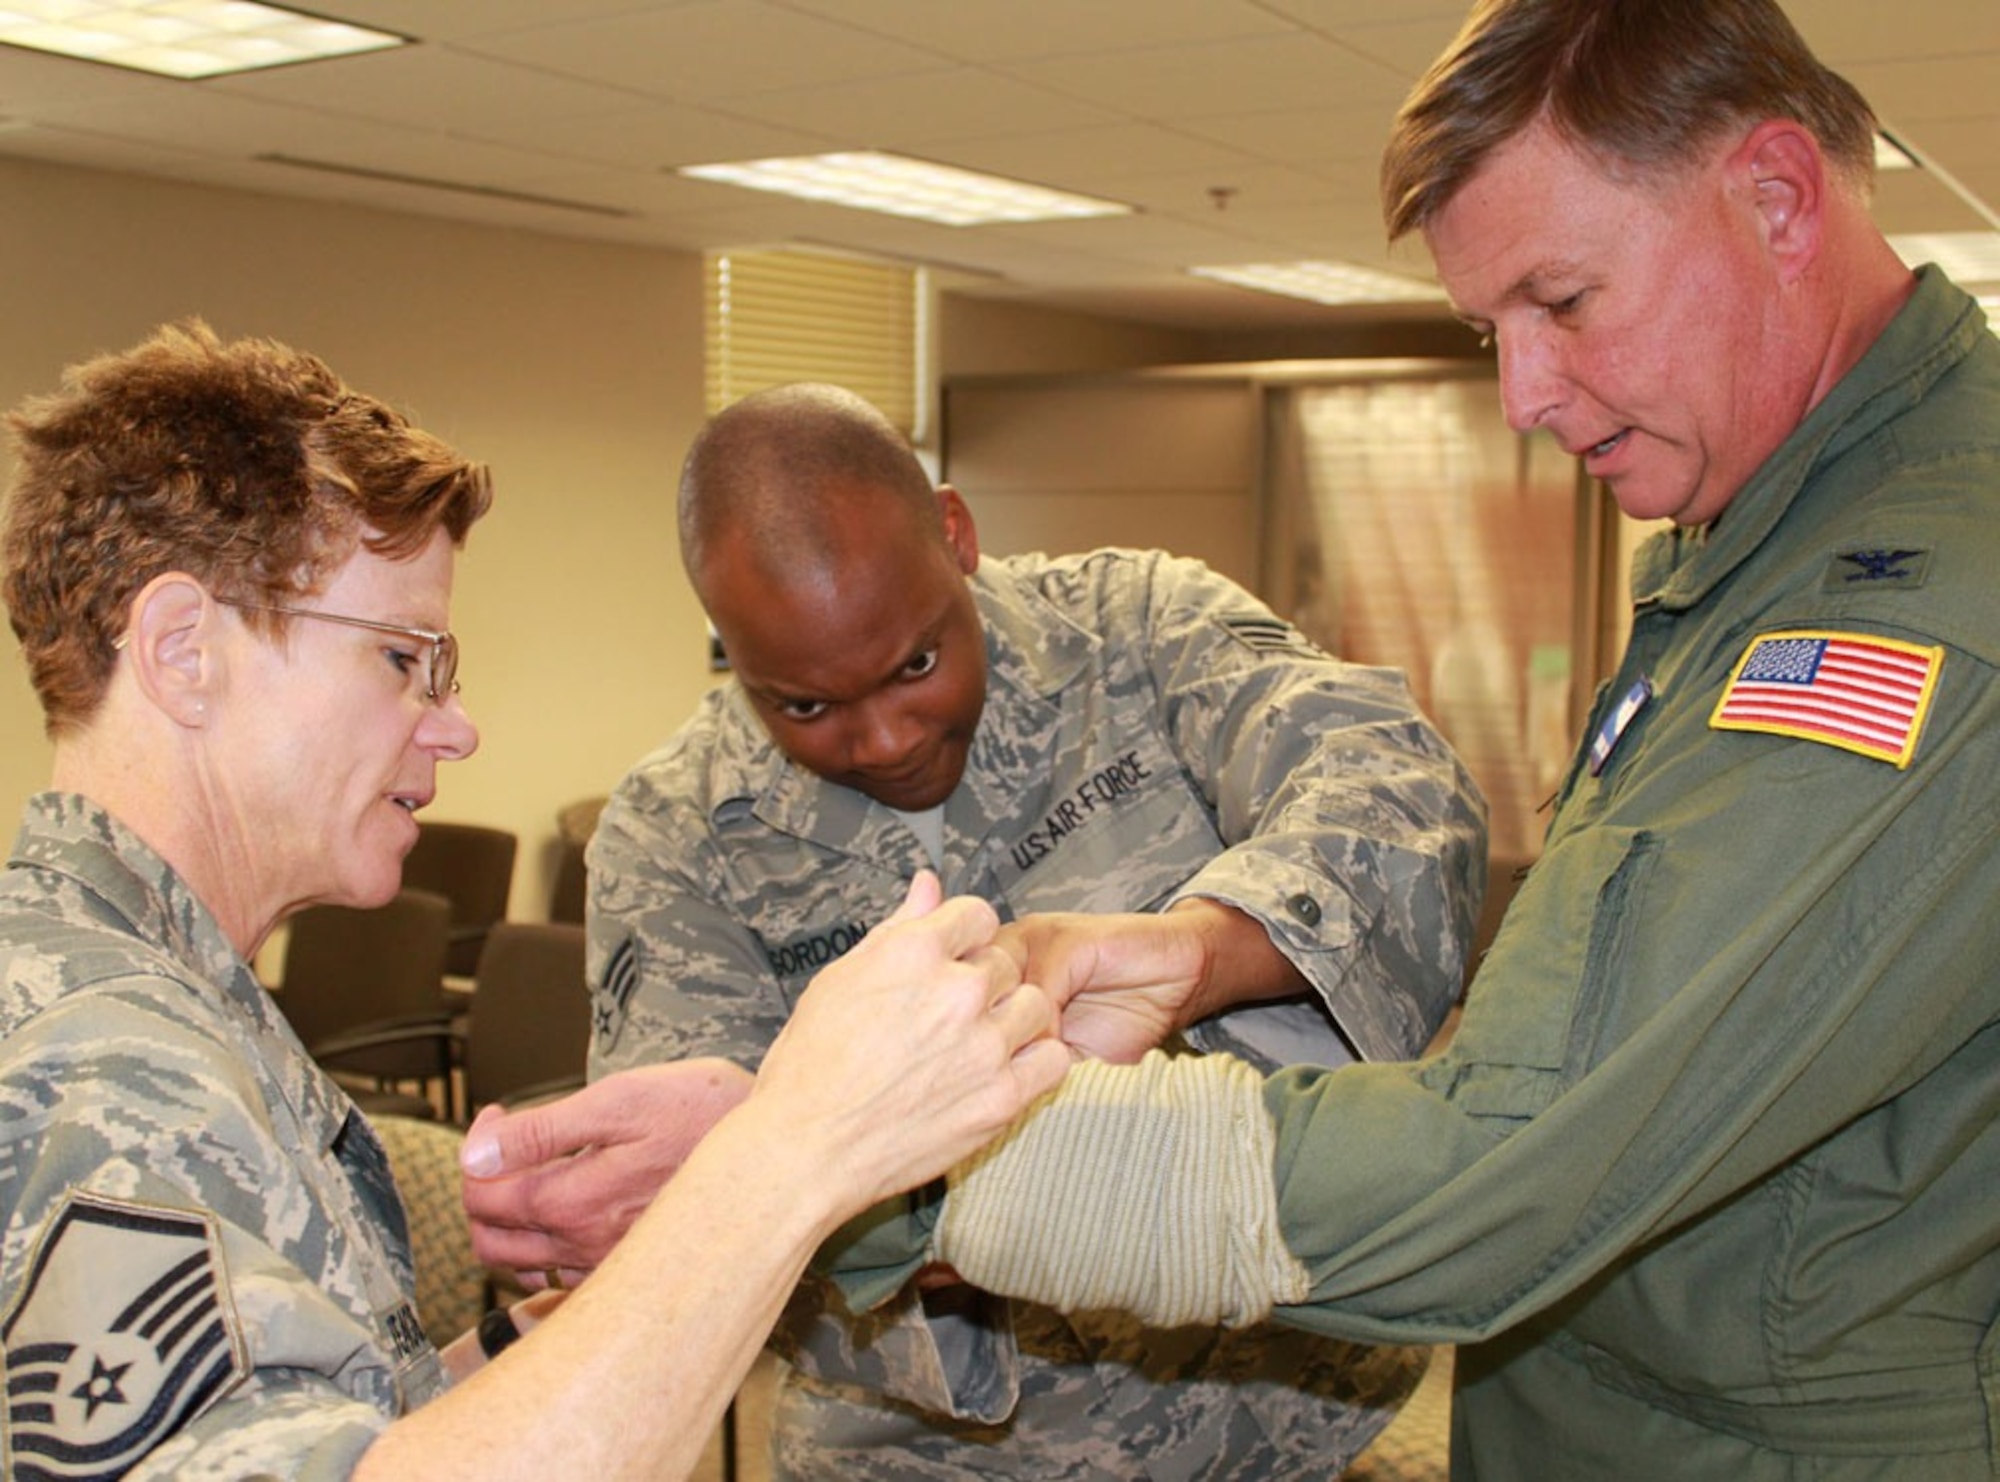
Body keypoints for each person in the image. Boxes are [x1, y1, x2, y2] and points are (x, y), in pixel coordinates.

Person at [786, 1, 1999, 1478]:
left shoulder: (1920, 611)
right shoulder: (1759, 528)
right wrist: (1185, 959)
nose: (1526, 397)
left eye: (1565, 301)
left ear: (1778, 197)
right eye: (1492, 330)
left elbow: (1515, 1165)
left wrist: (869, 1165)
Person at [0, 321, 1066, 1481]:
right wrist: (790, 1150)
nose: (454, 726)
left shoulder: (159, 1000)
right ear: (181, 650)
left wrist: (611, 1313)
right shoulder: (106, 1066)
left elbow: (326, 1438)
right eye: (402, 661)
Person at [461, 381, 1488, 1477]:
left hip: (1277, 1414)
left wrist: (1195, 954)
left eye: (914, 664)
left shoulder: (1139, 630)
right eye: (803, 705)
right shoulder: (676, 835)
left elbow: (1396, 799)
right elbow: (695, 1216)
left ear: (954, 536)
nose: (885, 736)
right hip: (925, 1457)